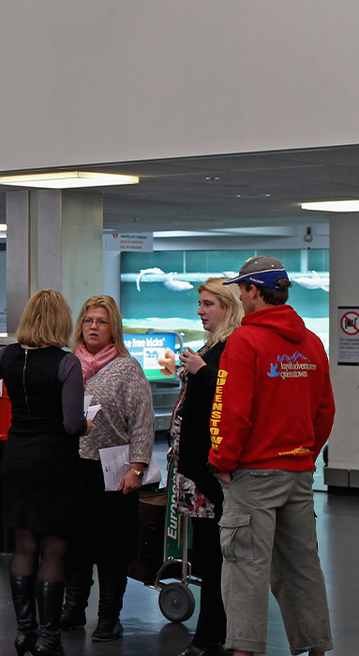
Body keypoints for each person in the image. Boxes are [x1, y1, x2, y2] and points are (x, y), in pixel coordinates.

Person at [211, 255, 333, 656]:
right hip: (298, 475)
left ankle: (244, 651)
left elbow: (230, 410)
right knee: (302, 569)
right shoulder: (312, 342)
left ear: (254, 291)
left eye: (242, 289)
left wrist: (222, 461)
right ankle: (317, 647)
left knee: (245, 567)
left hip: (253, 477)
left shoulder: (244, 342)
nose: (241, 297)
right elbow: (325, 410)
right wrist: (304, 454)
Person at [0, 289, 86, 656]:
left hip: (16, 457)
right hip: (55, 462)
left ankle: (24, 632)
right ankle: (49, 638)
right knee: (53, 549)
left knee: (24, 544)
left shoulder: (9, 355)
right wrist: (87, 428)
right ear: (62, 321)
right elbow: (70, 423)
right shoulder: (67, 363)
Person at [61, 295, 153, 642]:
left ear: (113, 327)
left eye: (101, 321)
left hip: (114, 470)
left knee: (112, 549)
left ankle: (109, 617)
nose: (94, 327)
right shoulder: (69, 364)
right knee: (75, 545)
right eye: (88, 321)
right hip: (75, 469)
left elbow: (142, 422)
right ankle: (73, 609)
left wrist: (137, 469)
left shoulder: (127, 368)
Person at [170, 278, 242, 656]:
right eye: (200, 303)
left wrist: (201, 372)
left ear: (228, 307)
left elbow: (232, 398)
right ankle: (213, 630)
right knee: (203, 555)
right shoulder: (211, 347)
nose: (200, 310)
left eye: (208, 303)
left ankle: (213, 632)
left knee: (215, 556)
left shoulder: (231, 349)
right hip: (194, 470)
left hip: (211, 471)